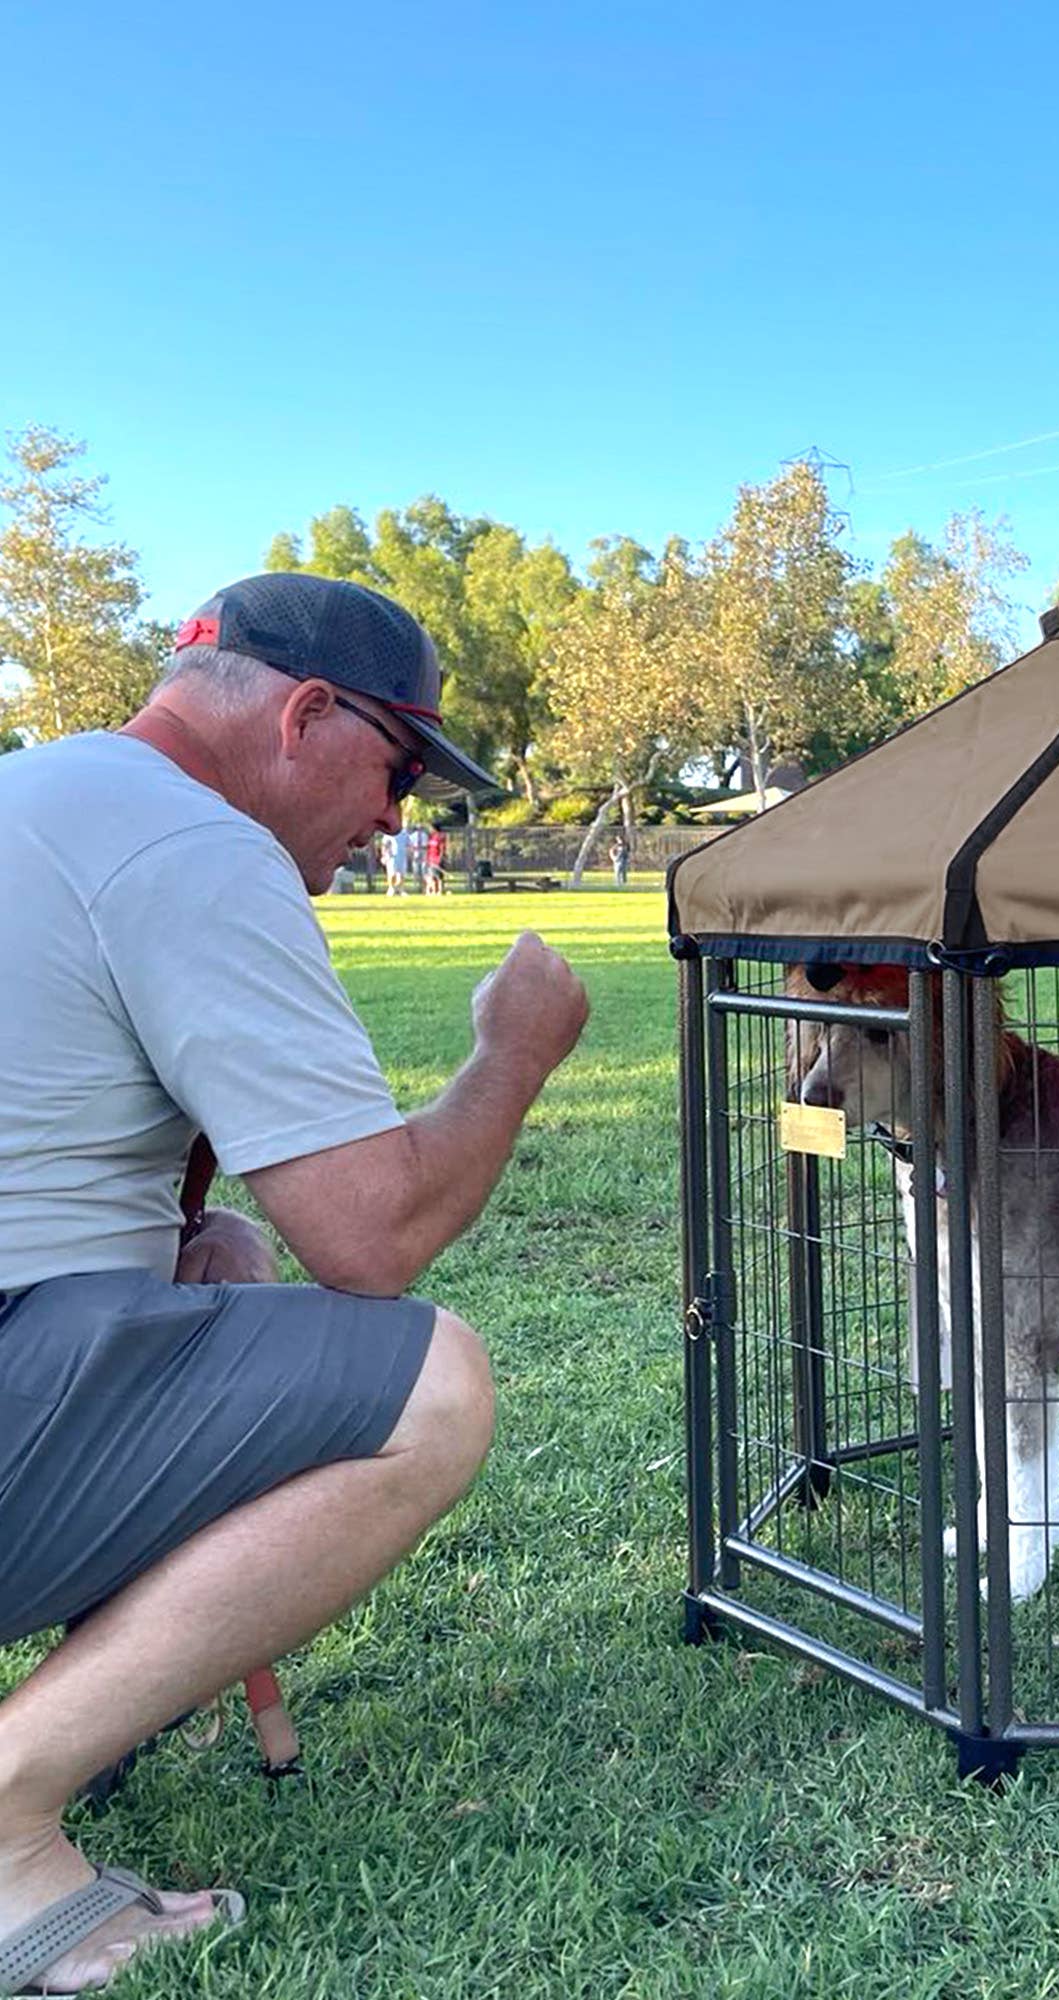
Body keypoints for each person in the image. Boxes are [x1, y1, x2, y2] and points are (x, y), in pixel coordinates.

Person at [0, 571, 589, 1993]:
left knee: (230, 1278)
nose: (399, 818)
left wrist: (174, 1247)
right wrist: (515, 1050)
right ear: (307, 715)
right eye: (398, 768)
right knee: (429, 1386)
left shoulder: (50, 792)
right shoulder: (188, 845)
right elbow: (370, 1238)